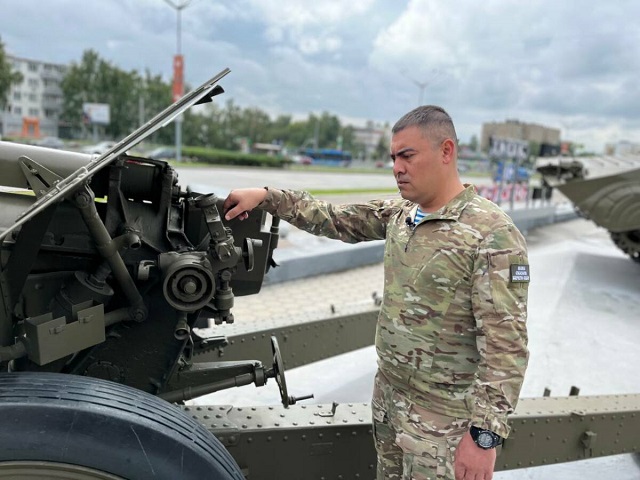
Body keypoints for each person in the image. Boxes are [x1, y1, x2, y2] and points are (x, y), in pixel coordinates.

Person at [223, 106, 529, 480]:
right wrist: (267, 197)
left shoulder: (491, 233)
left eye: (407, 156)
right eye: (393, 158)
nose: (397, 167)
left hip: (443, 422)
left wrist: (484, 437)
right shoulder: (401, 214)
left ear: (446, 151)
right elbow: (333, 218)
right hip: (389, 399)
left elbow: (506, 345)